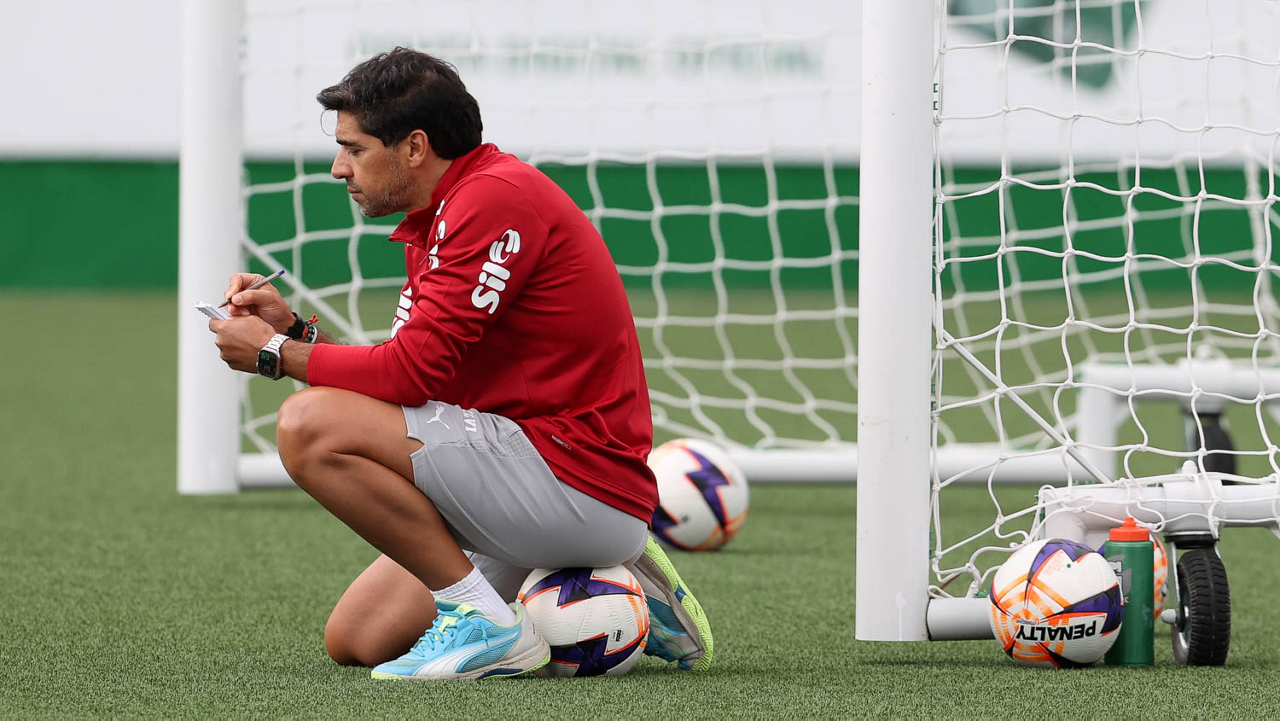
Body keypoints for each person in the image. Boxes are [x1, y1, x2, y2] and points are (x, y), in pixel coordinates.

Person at [207, 47, 713, 680]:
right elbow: (418, 376)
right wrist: (296, 331)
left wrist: (275, 355)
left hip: (575, 478)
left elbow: (408, 379)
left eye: (355, 149)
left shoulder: (492, 201)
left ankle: (492, 624)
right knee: (358, 637)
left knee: (306, 423)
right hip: (528, 469)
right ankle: (616, 580)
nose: (339, 168)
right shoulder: (450, 207)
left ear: (414, 147)